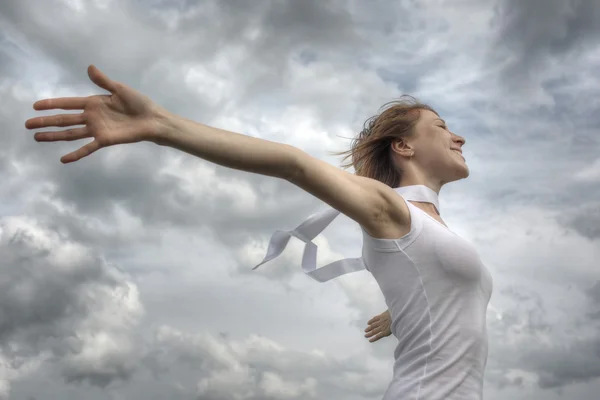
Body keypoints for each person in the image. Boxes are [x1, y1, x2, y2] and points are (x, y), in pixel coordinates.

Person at [26, 65, 493, 399]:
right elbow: (291, 162)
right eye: (443, 127)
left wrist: (401, 314)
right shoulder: (391, 209)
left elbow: (427, 278)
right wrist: (161, 125)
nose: (459, 137)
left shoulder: (427, 230)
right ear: (404, 145)